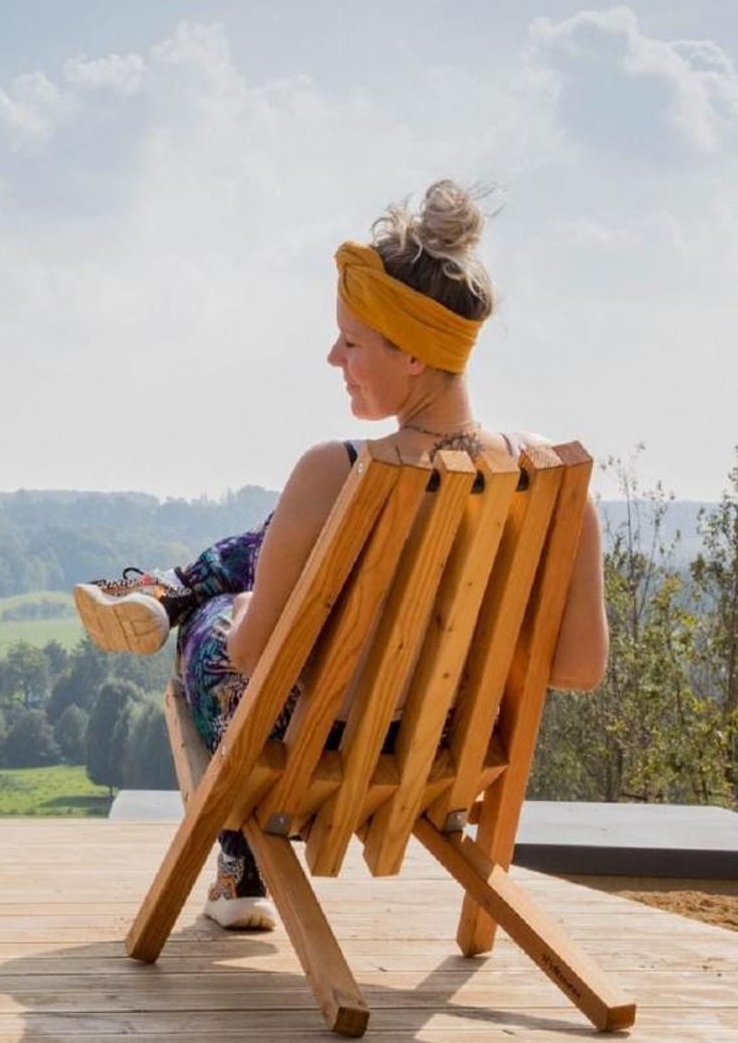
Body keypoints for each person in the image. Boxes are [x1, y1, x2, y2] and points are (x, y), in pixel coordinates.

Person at [74, 180, 608, 931]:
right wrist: (458, 643)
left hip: (315, 747)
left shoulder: (338, 470)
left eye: (352, 342)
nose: (333, 357)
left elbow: (255, 654)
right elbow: (581, 669)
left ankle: (239, 848)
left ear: (416, 354)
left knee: (221, 620)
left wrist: (254, 612)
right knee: (291, 548)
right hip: (453, 747)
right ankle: (168, 592)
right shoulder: (554, 484)